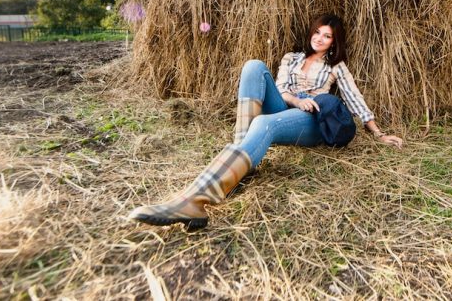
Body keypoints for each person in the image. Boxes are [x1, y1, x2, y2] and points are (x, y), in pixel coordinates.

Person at [128, 14, 403, 229]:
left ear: (334, 42)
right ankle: (241, 153)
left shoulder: (335, 67)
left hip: (310, 121)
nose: (319, 39)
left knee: (263, 124)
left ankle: (195, 201)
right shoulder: (291, 58)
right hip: (288, 106)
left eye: (327, 36)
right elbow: (282, 90)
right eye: (317, 32)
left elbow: (354, 98)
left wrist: (378, 133)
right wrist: (296, 100)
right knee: (253, 66)